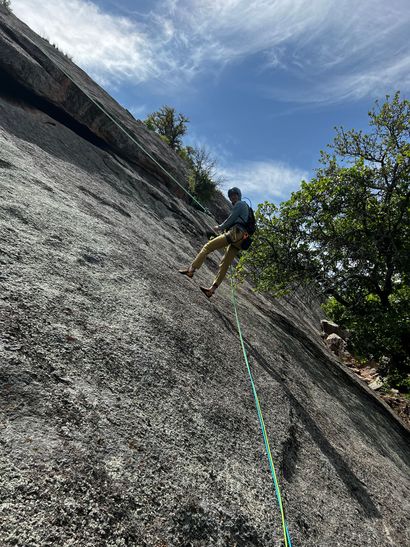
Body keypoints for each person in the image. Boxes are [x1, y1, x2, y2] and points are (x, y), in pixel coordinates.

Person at [179, 187, 249, 298]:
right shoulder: (247, 208)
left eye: (234, 195)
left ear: (239, 195)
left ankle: (191, 270)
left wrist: (220, 227)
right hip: (241, 240)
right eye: (231, 196)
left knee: (208, 246)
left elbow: (231, 219)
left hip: (235, 234)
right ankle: (211, 290)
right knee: (225, 264)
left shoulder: (240, 204)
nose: (232, 198)